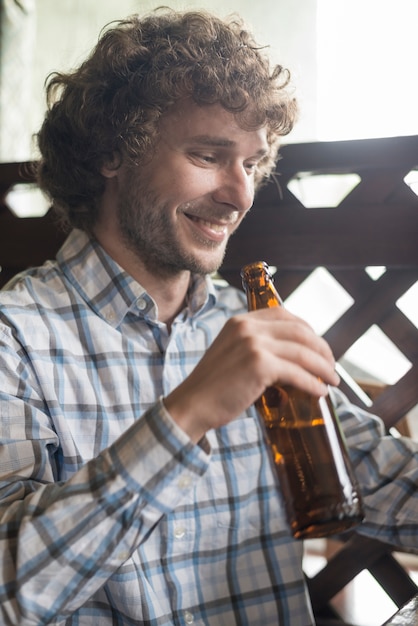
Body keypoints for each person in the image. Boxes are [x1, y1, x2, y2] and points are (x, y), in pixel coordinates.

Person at [0, 8, 416, 626]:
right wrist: (188, 413)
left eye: (251, 162)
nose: (241, 193)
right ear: (113, 152)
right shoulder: (15, 336)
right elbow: (12, 590)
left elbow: (382, 482)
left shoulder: (245, 322)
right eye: (208, 155)